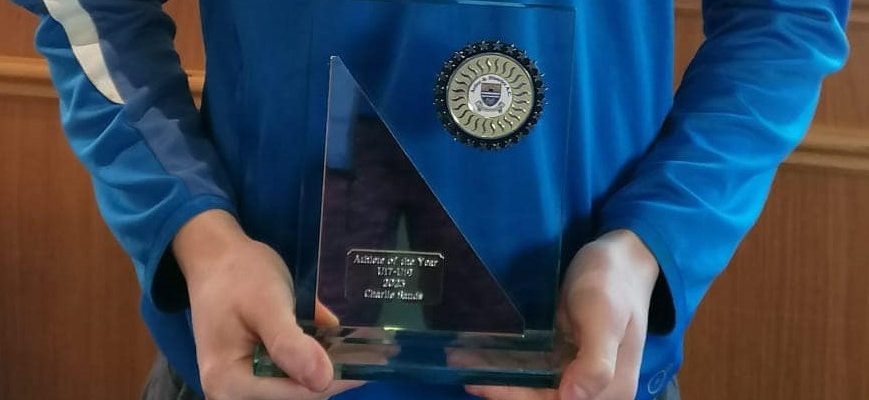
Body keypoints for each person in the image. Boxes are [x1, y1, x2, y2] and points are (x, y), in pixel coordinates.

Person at [10, 1, 849, 399]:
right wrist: (198, 234)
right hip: (259, 364)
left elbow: (787, 15)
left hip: (584, 369)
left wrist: (651, 244)